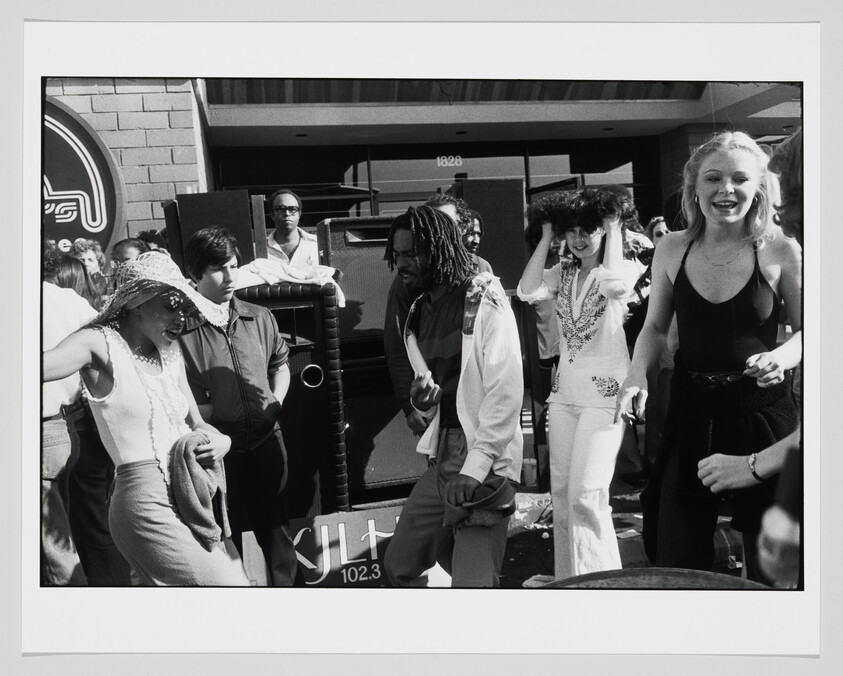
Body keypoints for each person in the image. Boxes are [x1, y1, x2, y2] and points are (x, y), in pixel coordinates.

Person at [615, 131, 802, 583]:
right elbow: (655, 327)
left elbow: (812, 332)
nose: (726, 190)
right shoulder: (672, 247)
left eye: (740, 179)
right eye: (713, 178)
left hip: (764, 417)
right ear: (693, 187)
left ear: (758, 187)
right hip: (692, 412)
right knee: (676, 556)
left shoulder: (780, 250)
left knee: (773, 568)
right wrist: (636, 372)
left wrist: (784, 355)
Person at [42, 251, 250, 586]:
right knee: (227, 587)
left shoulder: (170, 353)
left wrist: (222, 441)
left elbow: (197, 424)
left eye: (186, 309)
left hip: (191, 497)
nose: (181, 318)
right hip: (143, 502)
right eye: (171, 305)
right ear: (137, 302)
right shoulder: (98, 344)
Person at [382, 206, 523, 588]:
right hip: (443, 454)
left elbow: (505, 389)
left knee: (472, 589)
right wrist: (421, 401)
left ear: (440, 249)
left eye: (411, 253)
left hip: (485, 458)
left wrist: (476, 468)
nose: (402, 264)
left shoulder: (483, 297)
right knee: (399, 566)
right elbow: (443, 391)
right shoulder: (416, 312)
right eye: (397, 255)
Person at [518, 188, 641, 579]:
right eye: (571, 230)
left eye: (589, 228)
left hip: (605, 395)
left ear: (605, 228)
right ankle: (570, 582)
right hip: (566, 396)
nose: (579, 238)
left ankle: (601, 587)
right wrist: (545, 234)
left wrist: (614, 226)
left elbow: (616, 287)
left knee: (588, 496)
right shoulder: (563, 272)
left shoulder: (625, 266)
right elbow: (526, 290)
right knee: (564, 496)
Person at [178, 227, 300, 586]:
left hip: (266, 442)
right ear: (195, 274)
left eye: (234, 265)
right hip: (215, 456)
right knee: (223, 541)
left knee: (277, 533)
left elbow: (281, 364)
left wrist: (275, 404)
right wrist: (204, 425)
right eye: (218, 268)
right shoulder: (180, 328)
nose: (230, 277)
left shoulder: (259, 316)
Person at [44, 254, 131, 585]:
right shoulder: (70, 300)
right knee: (90, 528)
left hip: (63, 425)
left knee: (58, 548)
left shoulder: (52, 299)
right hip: (79, 424)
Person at [41, 249, 98, 585]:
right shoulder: (66, 300)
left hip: (48, 430)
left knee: (55, 554)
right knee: (58, 544)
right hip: (62, 430)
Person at [265, 188, 319, 268]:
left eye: (292, 209)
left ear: (299, 214)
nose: (287, 213)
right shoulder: (260, 249)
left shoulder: (317, 244)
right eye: (280, 209)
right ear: (272, 214)